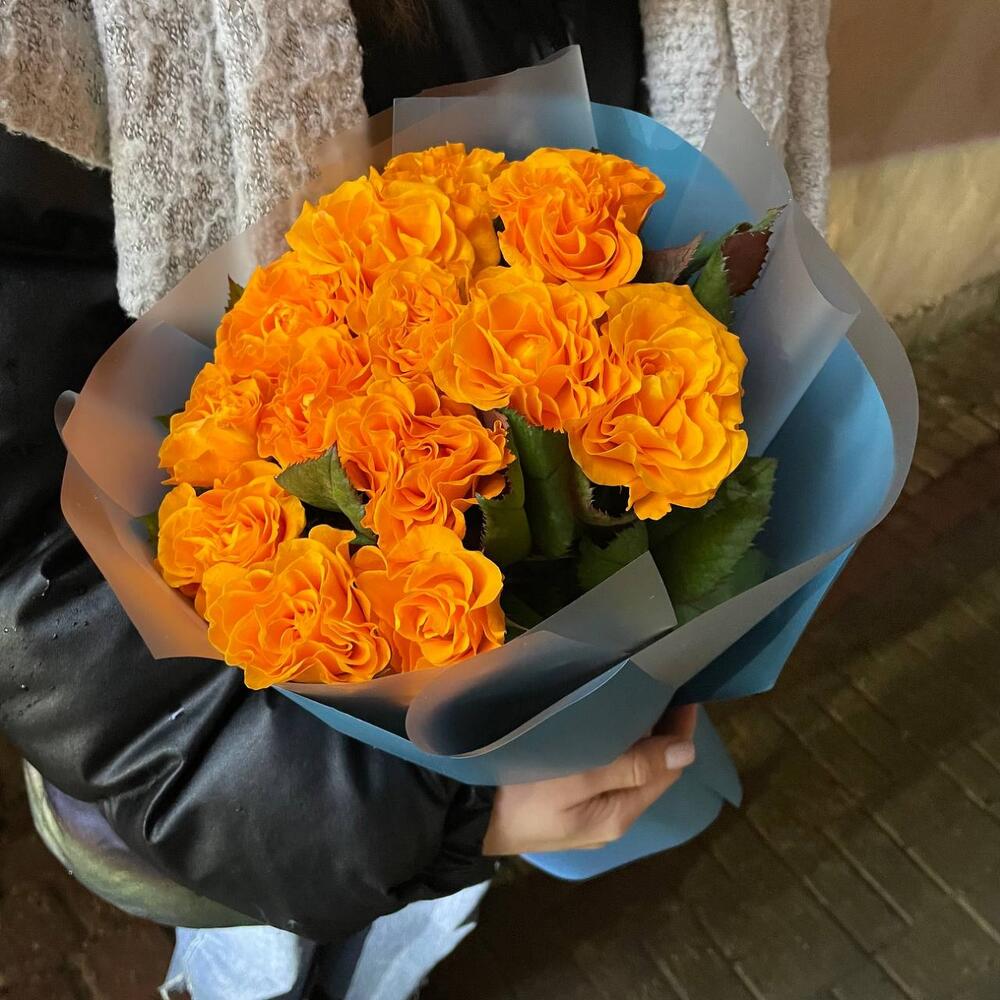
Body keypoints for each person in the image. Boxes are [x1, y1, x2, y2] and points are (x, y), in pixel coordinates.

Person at [0, 2, 830, 997]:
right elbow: (23, 558)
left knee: (400, 949)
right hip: (209, 769)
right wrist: (431, 811)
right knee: (257, 968)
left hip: (478, 754)